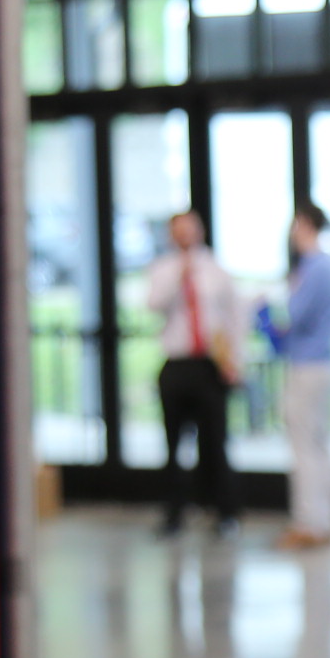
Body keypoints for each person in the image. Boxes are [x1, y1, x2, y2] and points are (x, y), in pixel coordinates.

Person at [144, 210, 240, 535]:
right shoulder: (162, 269)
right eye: (179, 231)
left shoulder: (215, 270)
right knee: (173, 444)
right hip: (176, 364)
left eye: (190, 229)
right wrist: (178, 278)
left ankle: (223, 511)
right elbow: (154, 305)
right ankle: (175, 511)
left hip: (208, 364)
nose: (185, 236)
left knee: (215, 442)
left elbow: (230, 318)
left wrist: (233, 360)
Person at [272, 204, 330, 550]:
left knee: (304, 443)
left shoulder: (314, 268)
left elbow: (296, 315)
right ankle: (326, 518)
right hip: (321, 362)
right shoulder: (328, 266)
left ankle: (309, 523)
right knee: (318, 441)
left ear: (305, 225)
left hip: (307, 364)